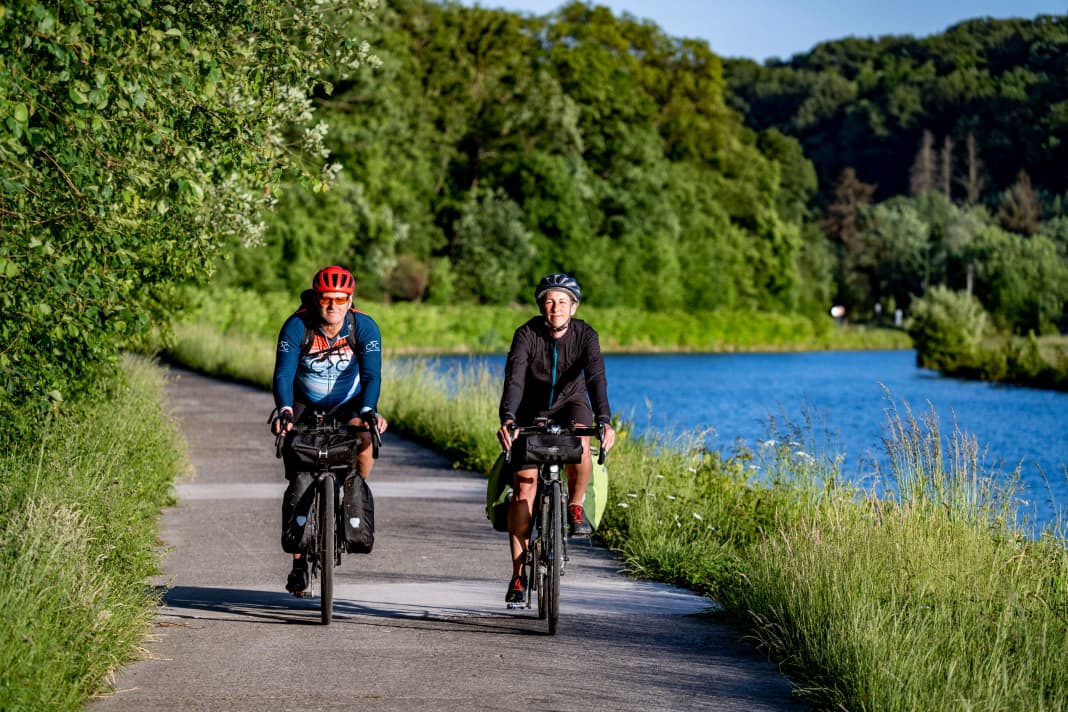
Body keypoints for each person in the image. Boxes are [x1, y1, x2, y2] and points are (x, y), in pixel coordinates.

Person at [496, 273, 616, 606]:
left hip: (571, 404)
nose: (556, 308)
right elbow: (515, 378)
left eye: (563, 301)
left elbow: (596, 379)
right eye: (549, 301)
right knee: (524, 485)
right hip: (529, 408)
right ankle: (518, 575)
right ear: (541, 306)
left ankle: (575, 506)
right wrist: (508, 418)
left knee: (582, 443)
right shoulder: (526, 334)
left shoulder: (585, 335)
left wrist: (605, 420)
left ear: (573, 307)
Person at [269, 265, 388, 595]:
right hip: (304, 400)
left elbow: (372, 376)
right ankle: (297, 561)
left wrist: (368, 410)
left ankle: (353, 489)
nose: (333, 305)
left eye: (340, 299)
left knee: (364, 439)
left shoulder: (363, 327)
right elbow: (282, 374)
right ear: (316, 300)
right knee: (298, 470)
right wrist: (286, 410)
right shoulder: (297, 326)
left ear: (350, 301)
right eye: (326, 299)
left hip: (347, 403)